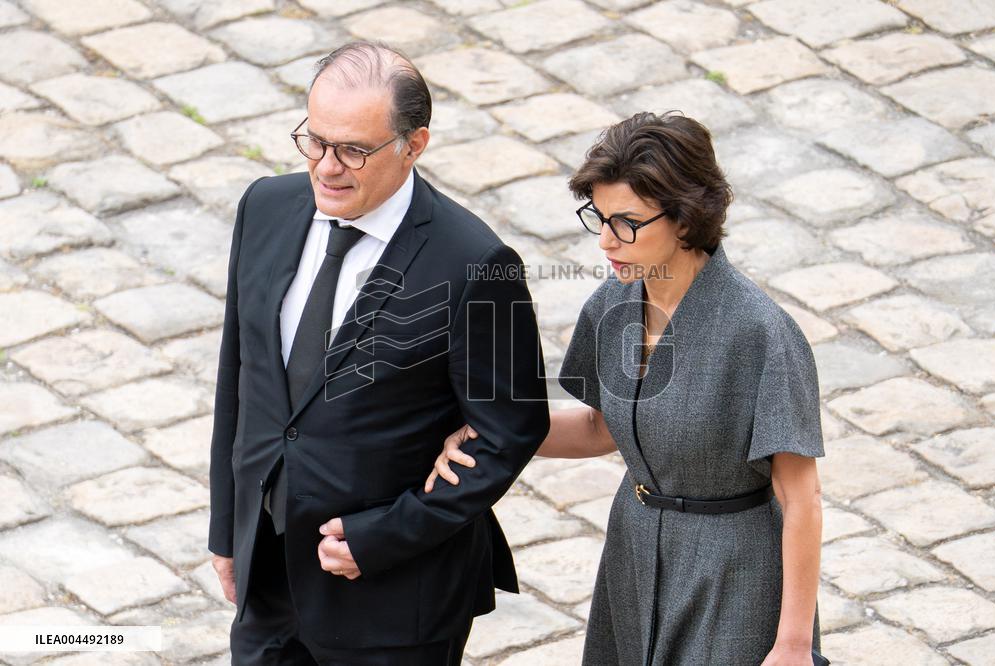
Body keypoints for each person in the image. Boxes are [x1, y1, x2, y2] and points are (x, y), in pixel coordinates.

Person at [426, 112, 824, 665]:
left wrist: (794, 645)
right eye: (600, 217)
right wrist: (484, 429)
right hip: (634, 552)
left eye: (627, 223)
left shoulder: (761, 334)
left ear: (685, 219)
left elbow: (801, 497)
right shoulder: (612, 306)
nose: (606, 240)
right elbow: (599, 428)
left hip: (734, 573)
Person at [208, 41, 549, 665]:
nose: (327, 167)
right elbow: (240, 375)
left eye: (353, 151)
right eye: (314, 141)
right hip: (269, 580)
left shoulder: (478, 264)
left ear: (413, 145)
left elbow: (512, 431)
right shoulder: (265, 207)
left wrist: (384, 536)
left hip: (395, 604)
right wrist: (228, 529)